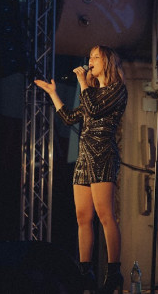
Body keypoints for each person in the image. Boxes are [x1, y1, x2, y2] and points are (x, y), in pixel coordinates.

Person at [34, 45, 128, 293]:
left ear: (107, 62)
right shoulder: (91, 93)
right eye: (90, 56)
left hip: (103, 155)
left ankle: (113, 272)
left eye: (96, 57)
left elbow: (95, 110)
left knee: (105, 215)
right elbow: (69, 118)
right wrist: (53, 93)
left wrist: (82, 83)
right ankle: (86, 272)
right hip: (84, 158)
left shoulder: (117, 90)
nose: (90, 60)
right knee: (82, 217)